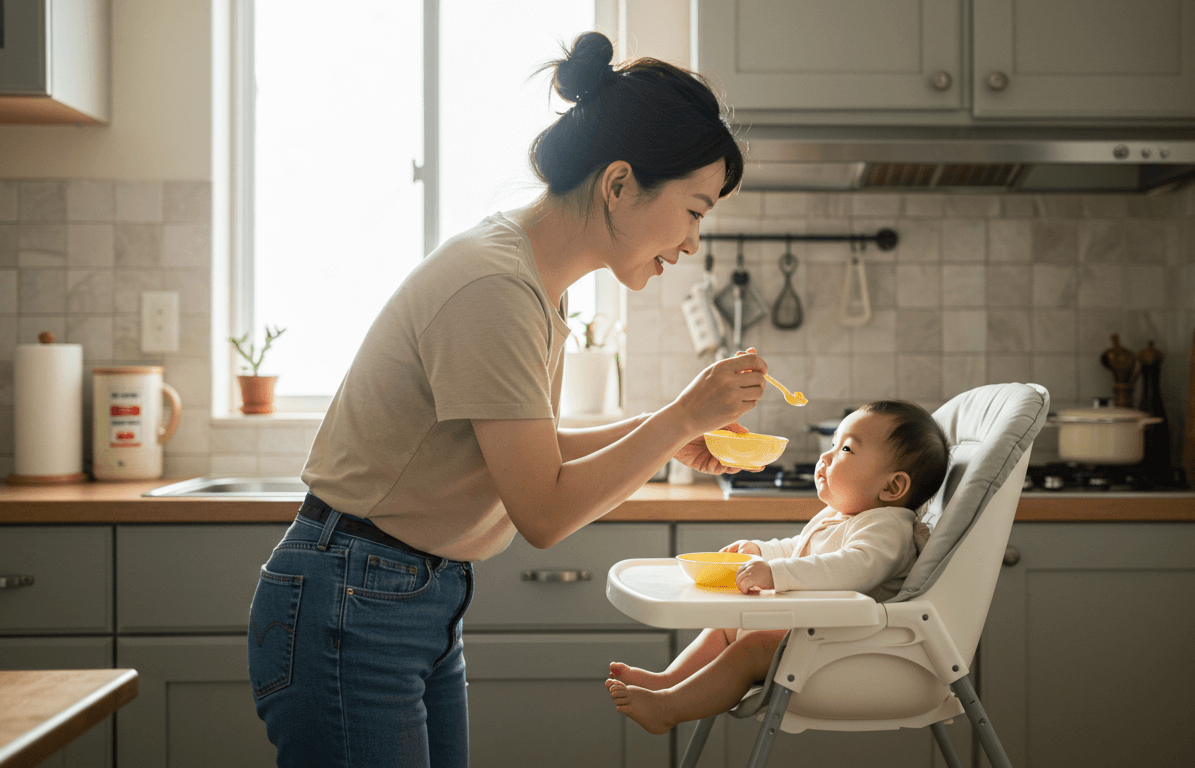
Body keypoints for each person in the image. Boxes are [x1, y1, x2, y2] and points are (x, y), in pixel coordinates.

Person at [248, 31, 761, 768]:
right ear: (619, 184)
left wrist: (662, 431)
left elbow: (531, 453)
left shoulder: (529, 285)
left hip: (403, 597)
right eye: (694, 210)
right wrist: (679, 417)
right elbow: (544, 512)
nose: (692, 244)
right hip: (353, 603)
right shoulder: (496, 287)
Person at [605, 401, 950, 735]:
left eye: (845, 449)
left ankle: (668, 709)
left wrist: (776, 574)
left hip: (851, 651)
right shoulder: (843, 518)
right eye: (831, 444)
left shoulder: (888, 527)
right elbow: (799, 550)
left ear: (893, 486)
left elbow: (852, 569)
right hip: (820, 636)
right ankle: (668, 680)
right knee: (726, 626)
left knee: (751, 647)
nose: (825, 457)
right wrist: (762, 553)